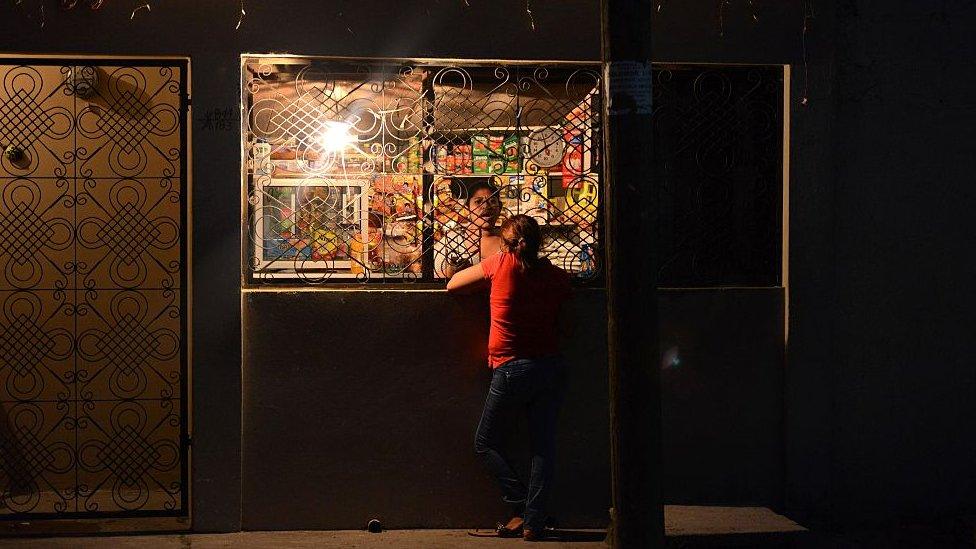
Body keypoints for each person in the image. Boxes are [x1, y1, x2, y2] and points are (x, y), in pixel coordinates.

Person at [447, 214, 572, 541]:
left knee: (485, 442)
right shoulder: (556, 276)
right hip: (550, 366)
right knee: (543, 447)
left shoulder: (499, 264)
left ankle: (519, 505)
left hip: (511, 367)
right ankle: (533, 522)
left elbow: (453, 284)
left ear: (506, 244)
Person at [434, 179, 503, 278]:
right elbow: (434, 280)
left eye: (492, 201)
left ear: (500, 207)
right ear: (467, 208)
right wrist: (451, 272)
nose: (486, 206)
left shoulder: (510, 239)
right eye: (478, 202)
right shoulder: (452, 241)